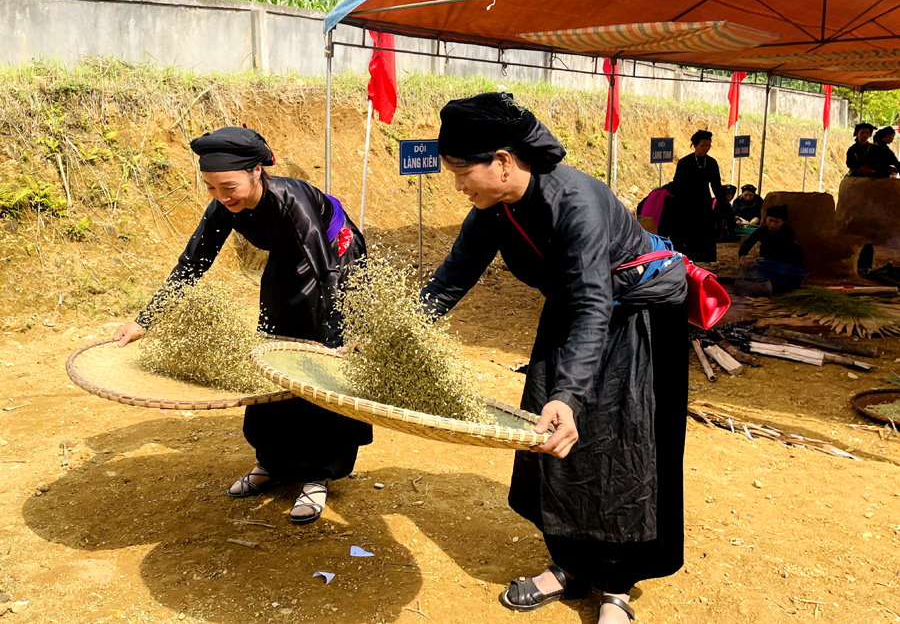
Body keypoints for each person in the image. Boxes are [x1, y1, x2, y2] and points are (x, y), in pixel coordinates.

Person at [422, 93, 689, 624]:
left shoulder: (576, 201)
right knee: (552, 443)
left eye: (461, 171)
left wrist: (569, 395)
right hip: (575, 314)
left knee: (618, 450)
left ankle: (616, 586)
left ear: (502, 161)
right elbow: (450, 280)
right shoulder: (492, 210)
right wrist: (393, 332)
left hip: (631, 319)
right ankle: (567, 565)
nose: (457, 185)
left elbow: (595, 302)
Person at [112, 127, 372, 524]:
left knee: (318, 358)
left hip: (335, 260)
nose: (222, 196)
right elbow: (192, 262)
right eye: (211, 188)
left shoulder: (292, 199)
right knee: (268, 350)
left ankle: (317, 474)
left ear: (256, 172)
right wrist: (146, 321)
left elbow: (326, 272)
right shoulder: (223, 207)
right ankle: (271, 461)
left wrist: (340, 331)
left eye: (229, 185)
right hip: (287, 259)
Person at [670, 130, 727, 262]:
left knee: (706, 237)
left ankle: (707, 263)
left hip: (705, 204)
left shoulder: (712, 163)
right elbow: (677, 184)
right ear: (694, 145)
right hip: (687, 204)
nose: (706, 149)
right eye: (703, 146)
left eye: (708, 145)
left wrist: (724, 205)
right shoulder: (684, 163)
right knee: (689, 238)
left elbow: (716, 186)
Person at [738, 204, 804, 267]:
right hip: (765, 258)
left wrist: (758, 260)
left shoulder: (788, 233)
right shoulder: (762, 231)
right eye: (770, 220)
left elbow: (782, 251)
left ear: (783, 222)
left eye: (776, 222)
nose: (772, 224)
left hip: (784, 260)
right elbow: (747, 245)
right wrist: (742, 257)